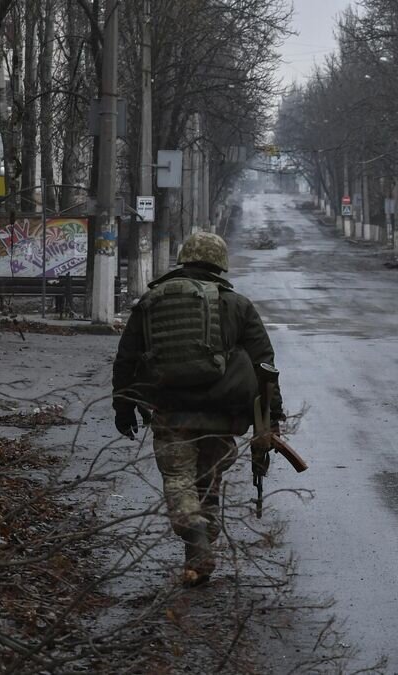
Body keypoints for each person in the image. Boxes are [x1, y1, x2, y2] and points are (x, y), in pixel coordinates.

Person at [112, 231, 284, 586]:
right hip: (222, 415)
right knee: (208, 484)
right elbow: (264, 365)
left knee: (179, 481)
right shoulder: (237, 304)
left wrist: (123, 406)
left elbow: (126, 358)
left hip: (168, 410)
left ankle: (197, 545)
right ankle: (200, 552)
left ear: (183, 258)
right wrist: (270, 419)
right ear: (220, 264)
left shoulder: (152, 301)